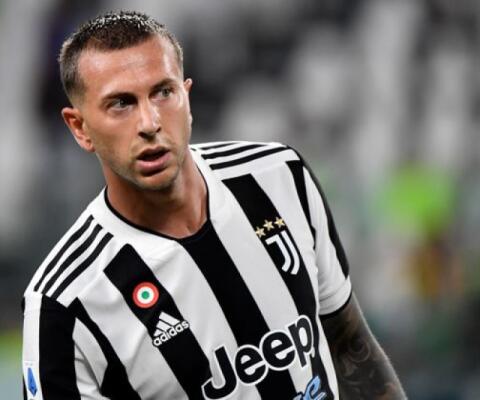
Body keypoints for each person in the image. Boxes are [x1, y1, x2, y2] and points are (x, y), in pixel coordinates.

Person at [21, 10, 406, 400]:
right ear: (80, 127)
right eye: (121, 103)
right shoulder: (63, 304)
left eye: (163, 92)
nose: (150, 122)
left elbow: (350, 347)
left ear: (187, 97)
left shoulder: (280, 178)